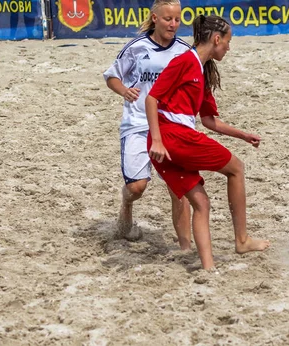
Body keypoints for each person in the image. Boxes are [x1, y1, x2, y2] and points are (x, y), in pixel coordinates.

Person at [145, 15, 270, 270]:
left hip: (170, 140)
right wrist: (157, 140)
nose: (229, 47)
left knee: (201, 203)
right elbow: (151, 99)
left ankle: (209, 268)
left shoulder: (203, 71)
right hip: (171, 137)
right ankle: (242, 240)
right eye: (228, 41)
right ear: (216, 39)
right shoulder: (183, 61)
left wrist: (243, 135)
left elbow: (210, 121)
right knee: (236, 168)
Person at [103, 0, 193, 250]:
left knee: (180, 188)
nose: (173, 24)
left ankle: (185, 247)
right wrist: (124, 90)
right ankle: (127, 205)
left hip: (172, 125)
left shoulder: (184, 51)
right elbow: (111, 75)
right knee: (137, 187)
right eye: (168, 19)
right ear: (155, 18)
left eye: (177, 19)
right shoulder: (136, 47)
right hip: (138, 123)